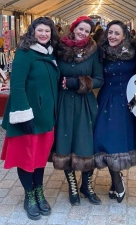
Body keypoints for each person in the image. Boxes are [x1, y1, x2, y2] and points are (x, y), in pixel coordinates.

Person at [0, 17, 60, 220]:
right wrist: (23, 116)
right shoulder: (25, 54)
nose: (44, 34)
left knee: (40, 158)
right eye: (40, 30)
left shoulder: (50, 53)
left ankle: (39, 191)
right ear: (33, 31)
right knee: (26, 158)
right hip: (28, 117)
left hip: (46, 118)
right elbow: (16, 86)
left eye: (47, 31)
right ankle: (30, 196)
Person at [52, 15, 104, 206]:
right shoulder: (59, 49)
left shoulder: (93, 51)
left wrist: (81, 82)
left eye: (87, 31)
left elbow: (100, 78)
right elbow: (52, 73)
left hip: (85, 104)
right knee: (66, 143)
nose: (82, 33)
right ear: (73, 28)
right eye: (80, 29)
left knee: (86, 144)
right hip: (64, 103)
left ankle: (87, 185)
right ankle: (72, 186)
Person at [94, 20, 136, 203]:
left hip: (129, 101)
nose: (112, 36)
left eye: (116, 33)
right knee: (106, 141)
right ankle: (117, 180)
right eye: (110, 33)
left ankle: (116, 181)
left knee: (122, 141)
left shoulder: (134, 51)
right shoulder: (101, 52)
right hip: (107, 100)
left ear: (124, 36)